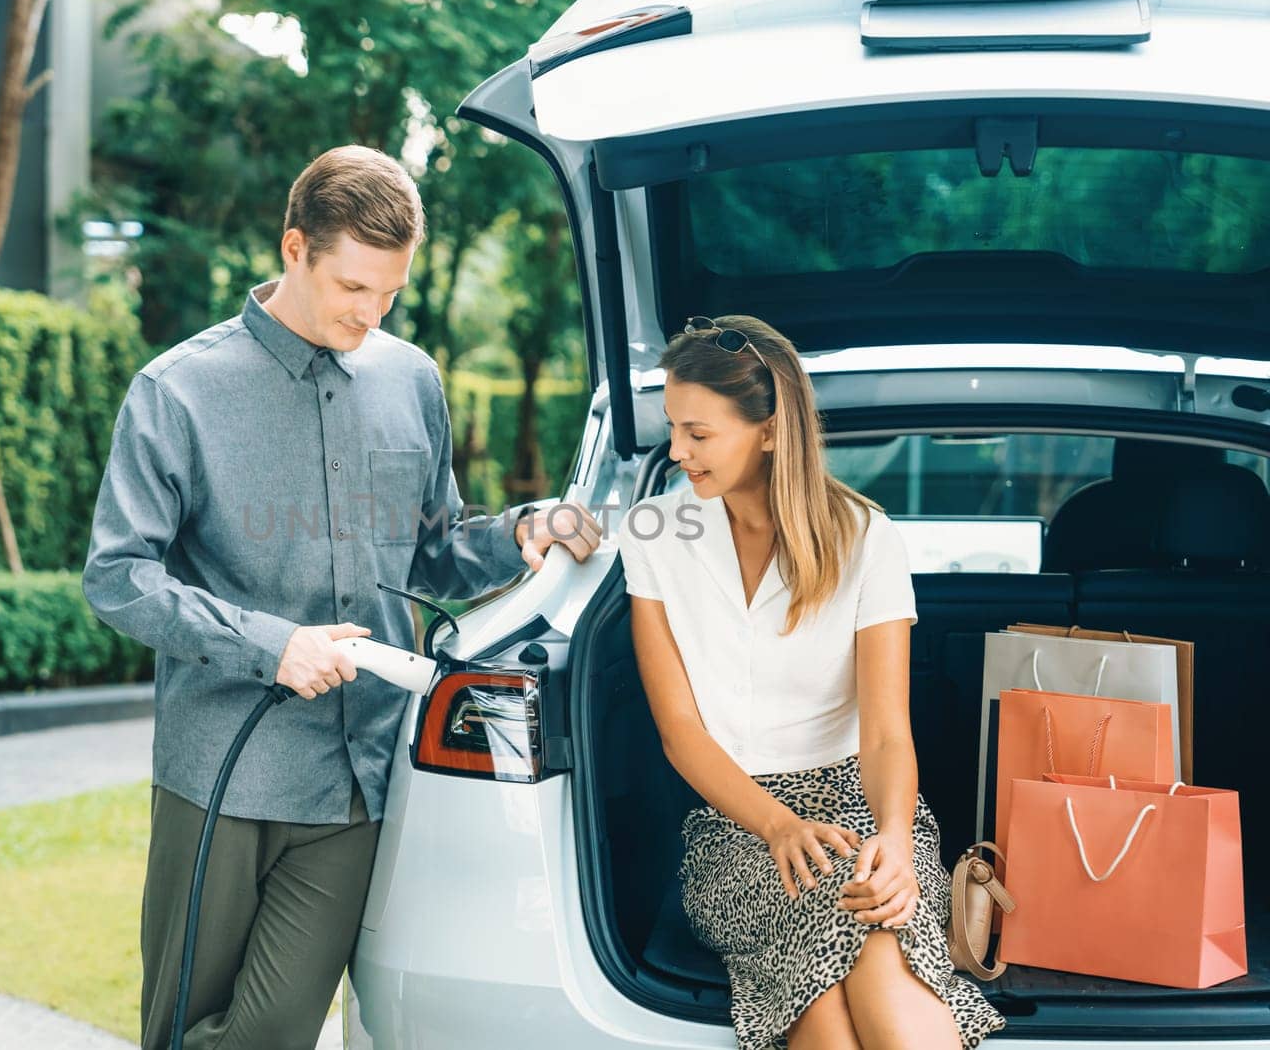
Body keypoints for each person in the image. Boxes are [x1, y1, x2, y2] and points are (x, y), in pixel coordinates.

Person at [82, 144, 600, 1050]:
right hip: (222, 781)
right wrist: (270, 643)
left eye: (390, 293)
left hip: (360, 781)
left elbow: (430, 554)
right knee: (183, 1026)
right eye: (353, 288)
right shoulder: (178, 391)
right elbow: (118, 578)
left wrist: (522, 531)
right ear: (295, 248)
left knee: (278, 1029)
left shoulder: (412, 380)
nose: (372, 313)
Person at [614, 314, 1005, 1049]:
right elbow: (680, 731)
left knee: (873, 946)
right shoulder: (654, 532)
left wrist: (892, 835)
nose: (676, 451)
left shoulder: (867, 537)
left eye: (699, 434)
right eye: (673, 428)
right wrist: (779, 825)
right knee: (845, 957)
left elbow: (887, 732)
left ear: (767, 431)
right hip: (736, 826)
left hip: (862, 806)